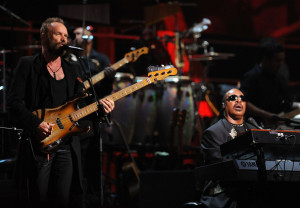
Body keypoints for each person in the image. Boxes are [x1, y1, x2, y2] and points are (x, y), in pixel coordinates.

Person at [7, 17, 115, 208]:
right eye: (58, 34)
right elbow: (13, 102)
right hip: (39, 144)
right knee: (37, 199)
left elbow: (81, 107)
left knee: (63, 199)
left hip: (66, 145)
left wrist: (101, 110)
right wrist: (35, 124)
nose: (64, 39)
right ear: (44, 36)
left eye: (66, 36)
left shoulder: (74, 69)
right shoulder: (28, 64)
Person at [200, 88, 257, 208]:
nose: (238, 101)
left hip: (252, 190)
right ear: (223, 104)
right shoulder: (213, 133)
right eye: (232, 98)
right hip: (225, 195)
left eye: (242, 99)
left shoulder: (254, 130)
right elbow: (223, 166)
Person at [240, 37, 300, 129]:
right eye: (278, 60)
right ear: (266, 59)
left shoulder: (279, 78)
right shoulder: (251, 76)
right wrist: (268, 115)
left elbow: (284, 101)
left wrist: (295, 106)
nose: (281, 64)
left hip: (276, 125)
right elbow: (245, 102)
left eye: (282, 60)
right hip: (255, 125)